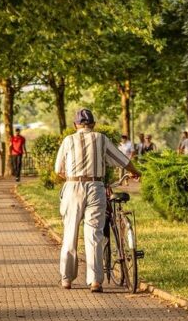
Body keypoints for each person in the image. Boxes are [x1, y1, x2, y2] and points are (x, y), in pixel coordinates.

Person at [54, 108, 140, 293]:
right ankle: (95, 281)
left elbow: (58, 169)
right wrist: (135, 172)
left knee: (70, 233)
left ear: (75, 125)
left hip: (72, 186)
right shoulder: (100, 138)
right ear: (93, 124)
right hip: (95, 187)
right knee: (94, 235)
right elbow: (122, 159)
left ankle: (67, 279)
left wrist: (72, 178)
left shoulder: (68, 140)